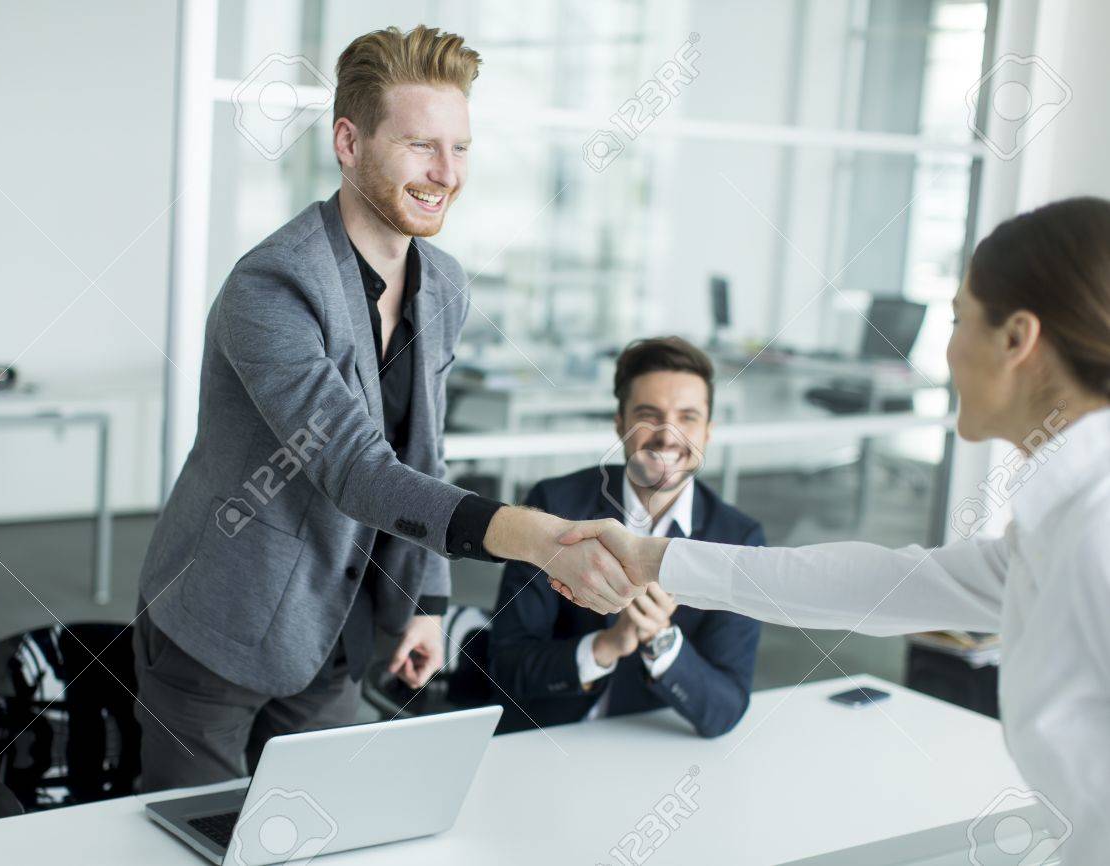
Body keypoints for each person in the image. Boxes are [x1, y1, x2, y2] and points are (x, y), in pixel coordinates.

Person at [134, 25, 637, 792]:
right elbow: (357, 469)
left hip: (336, 624)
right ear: (348, 141)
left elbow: (421, 454)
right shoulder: (272, 287)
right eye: (419, 146)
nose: (446, 173)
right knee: (193, 831)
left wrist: (427, 599)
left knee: (321, 823)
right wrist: (537, 538)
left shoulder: (444, 283)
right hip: (220, 618)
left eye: (460, 148)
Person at [557, 197, 1110, 862]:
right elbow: (878, 586)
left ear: (1017, 339)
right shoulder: (1060, 521)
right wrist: (653, 559)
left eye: (959, 319)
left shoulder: (1096, 528)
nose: (946, 349)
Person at [489, 337, 762, 736]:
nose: (668, 436)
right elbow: (505, 665)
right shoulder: (554, 505)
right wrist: (606, 646)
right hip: (544, 738)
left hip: (650, 745)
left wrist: (661, 642)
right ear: (620, 423)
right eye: (648, 415)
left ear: (707, 432)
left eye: (687, 417)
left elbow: (723, 711)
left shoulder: (737, 538)